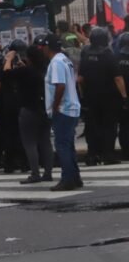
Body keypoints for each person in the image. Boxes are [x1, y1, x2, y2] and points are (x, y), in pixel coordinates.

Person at [2, 42, 53, 184]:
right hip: (44, 108)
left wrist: (8, 59)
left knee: (29, 143)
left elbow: (6, 74)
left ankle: (35, 173)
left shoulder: (25, 71)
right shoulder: (44, 69)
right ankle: (48, 172)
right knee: (45, 141)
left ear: (29, 58)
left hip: (29, 109)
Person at [37, 34, 83, 191]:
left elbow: (60, 86)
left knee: (62, 145)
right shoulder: (64, 59)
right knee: (68, 144)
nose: (42, 50)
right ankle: (75, 177)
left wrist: (55, 106)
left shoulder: (56, 62)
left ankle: (67, 179)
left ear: (48, 47)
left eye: (43, 47)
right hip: (72, 107)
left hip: (63, 109)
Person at [77, 27, 126, 165]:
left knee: (92, 126)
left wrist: (83, 95)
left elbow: (80, 79)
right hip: (109, 98)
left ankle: (92, 155)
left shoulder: (85, 53)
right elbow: (118, 78)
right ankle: (108, 155)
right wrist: (124, 96)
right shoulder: (108, 54)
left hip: (90, 97)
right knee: (109, 127)